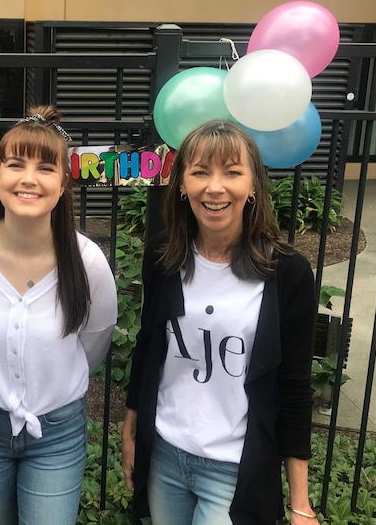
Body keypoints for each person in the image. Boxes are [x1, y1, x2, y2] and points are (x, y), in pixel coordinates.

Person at [121, 120, 319, 525]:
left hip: (233, 468)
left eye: (232, 172)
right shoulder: (164, 256)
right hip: (165, 456)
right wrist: (131, 425)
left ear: (253, 186)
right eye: (200, 172)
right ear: (181, 185)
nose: (215, 187)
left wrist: (300, 502)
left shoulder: (287, 273)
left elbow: (295, 388)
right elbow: (148, 346)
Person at [0, 106, 118, 525]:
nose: (29, 179)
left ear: (62, 185)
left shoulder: (87, 261)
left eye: (45, 167)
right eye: (15, 164)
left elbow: (93, 345)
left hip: (56, 433)